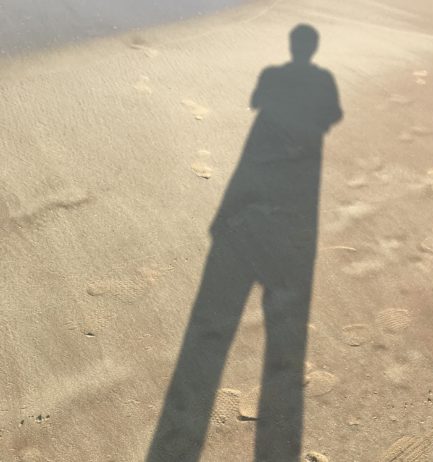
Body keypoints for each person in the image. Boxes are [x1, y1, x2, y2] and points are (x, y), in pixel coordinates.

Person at [147, 23, 342, 462]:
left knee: (210, 325)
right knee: (286, 328)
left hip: (249, 200)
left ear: (293, 46)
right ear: (312, 49)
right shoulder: (324, 80)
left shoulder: (272, 75)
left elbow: (257, 101)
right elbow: (331, 116)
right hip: (296, 203)